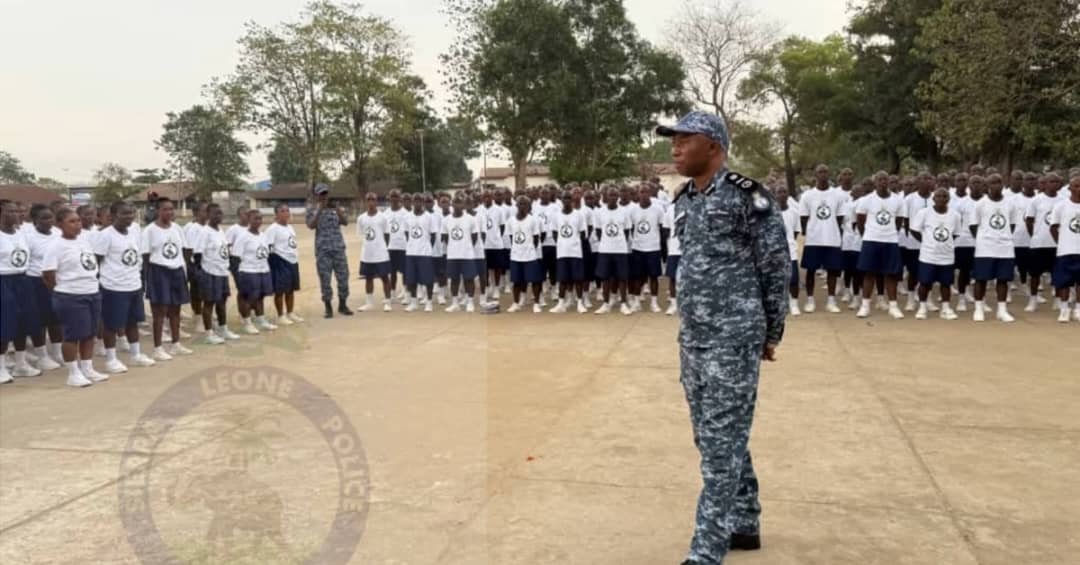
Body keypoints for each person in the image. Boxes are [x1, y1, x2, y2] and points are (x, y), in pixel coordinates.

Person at [655, 111, 789, 565]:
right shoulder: (684, 198)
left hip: (734, 337)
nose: (674, 148)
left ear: (712, 146)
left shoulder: (747, 198)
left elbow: (775, 266)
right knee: (714, 437)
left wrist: (772, 331)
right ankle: (745, 521)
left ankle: (707, 549)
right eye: (672, 140)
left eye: (683, 140)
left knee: (719, 445)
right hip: (694, 337)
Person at [42, 208, 106, 387]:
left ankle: (87, 367)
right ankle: (73, 372)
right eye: (72, 221)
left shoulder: (84, 241)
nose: (77, 224)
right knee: (72, 336)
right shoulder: (56, 246)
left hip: (91, 292)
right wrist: (61, 291)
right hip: (70, 295)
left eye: (78, 221)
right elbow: (47, 274)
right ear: (60, 224)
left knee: (89, 334)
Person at [93, 201, 156, 369]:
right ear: (113, 216)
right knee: (112, 325)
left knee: (132, 322)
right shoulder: (106, 235)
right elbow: (96, 261)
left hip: (133, 284)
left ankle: (135, 355)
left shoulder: (134, 232)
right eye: (124, 213)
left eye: (131, 213)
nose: (129, 217)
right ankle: (111, 359)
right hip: (113, 287)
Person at [141, 198, 192, 359]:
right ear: (158, 211)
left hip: (176, 271)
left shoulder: (177, 228)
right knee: (159, 312)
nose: (169, 212)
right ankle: (158, 348)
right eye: (165, 209)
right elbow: (146, 256)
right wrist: (151, 276)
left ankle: (175, 344)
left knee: (175, 310)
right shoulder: (149, 230)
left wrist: (182, 267)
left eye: (171, 209)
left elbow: (184, 249)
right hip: (159, 271)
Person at [855, 172, 906, 319]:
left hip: (890, 241)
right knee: (869, 274)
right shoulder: (866, 200)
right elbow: (860, 220)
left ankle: (893, 306)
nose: (883, 182)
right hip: (871, 240)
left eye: (885, 179)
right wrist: (868, 234)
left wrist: (889, 232)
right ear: (875, 182)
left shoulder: (898, 200)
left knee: (891, 275)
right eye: (879, 179)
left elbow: (899, 220)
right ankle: (865, 306)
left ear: (889, 182)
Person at [970, 174, 1020, 322]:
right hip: (985, 248)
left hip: (1005, 248)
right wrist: (984, 239)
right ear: (987, 186)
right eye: (992, 183)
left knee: (1003, 280)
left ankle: (1002, 310)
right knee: (981, 279)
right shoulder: (980, 204)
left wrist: (1001, 237)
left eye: (999, 182)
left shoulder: (1010, 204)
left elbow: (1011, 225)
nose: (996, 185)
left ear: (1003, 184)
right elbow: (973, 226)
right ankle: (979, 309)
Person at [798, 164, 847, 313]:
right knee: (811, 270)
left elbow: (840, 218)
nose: (823, 174)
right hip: (814, 239)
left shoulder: (838, 195)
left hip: (832, 238)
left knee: (832, 271)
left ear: (829, 174)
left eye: (826, 171)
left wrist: (831, 230)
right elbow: (804, 218)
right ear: (815, 174)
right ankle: (810, 300)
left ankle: (831, 301)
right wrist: (811, 232)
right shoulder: (807, 195)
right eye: (820, 171)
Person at [909, 188, 962, 320]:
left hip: (947, 256)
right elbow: (914, 230)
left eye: (944, 196)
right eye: (938, 196)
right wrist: (926, 241)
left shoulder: (955, 215)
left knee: (946, 284)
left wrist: (944, 243)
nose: (941, 198)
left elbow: (954, 234)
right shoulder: (924, 213)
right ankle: (922, 307)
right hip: (928, 255)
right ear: (933, 198)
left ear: (948, 199)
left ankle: (945, 308)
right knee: (925, 283)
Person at [0, 200, 37, 383]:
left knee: (23, 322)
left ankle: (21, 364)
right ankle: (1, 367)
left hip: (22, 279)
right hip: (4, 279)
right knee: (5, 324)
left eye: (16, 210)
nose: (16, 214)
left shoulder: (21, 233)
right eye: (10, 211)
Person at [305, 183, 352, 318]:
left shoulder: (335, 208)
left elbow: (345, 222)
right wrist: (319, 210)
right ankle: (328, 307)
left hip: (338, 249)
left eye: (325, 193)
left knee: (343, 277)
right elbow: (310, 225)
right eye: (321, 194)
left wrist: (338, 210)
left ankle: (343, 305)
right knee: (325, 279)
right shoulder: (312, 209)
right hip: (323, 250)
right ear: (316, 195)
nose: (324, 196)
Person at [195, 203, 239, 343]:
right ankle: (208, 334)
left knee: (222, 302)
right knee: (209, 303)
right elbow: (197, 254)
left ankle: (223, 328)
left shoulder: (220, 231)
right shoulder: (204, 232)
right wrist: (201, 272)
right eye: (215, 213)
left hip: (222, 271)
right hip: (209, 272)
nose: (218, 216)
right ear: (208, 215)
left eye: (220, 213)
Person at [26, 204, 62, 372]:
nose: (49, 221)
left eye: (51, 217)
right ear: (34, 220)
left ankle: (57, 352)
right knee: (40, 321)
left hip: (57, 280)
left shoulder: (57, 233)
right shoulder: (28, 237)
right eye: (44, 218)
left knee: (56, 319)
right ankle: (42, 356)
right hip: (36, 281)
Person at [234, 211, 277, 334]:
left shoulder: (263, 235)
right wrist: (240, 275)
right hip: (249, 271)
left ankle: (261, 319)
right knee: (249, 298)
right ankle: (247, 322)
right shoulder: (243, 236)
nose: (258, 221)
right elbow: (236, 257)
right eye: (255, 219)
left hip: (263, 270)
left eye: (260, 219)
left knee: (260, 296)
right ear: (248, 220)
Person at [592, 186, 633, 315]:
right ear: (606, 197)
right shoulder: (599, 212)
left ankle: (623, 304)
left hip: (620, 250)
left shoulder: (624, 212)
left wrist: (618, 243)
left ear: (618, 197)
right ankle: (605, 303)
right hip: (605, 250)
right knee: (605, 278)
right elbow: (598, 231)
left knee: (622, 278)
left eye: (615, 195)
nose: (613, 198)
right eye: (611, 195)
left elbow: (627, 231)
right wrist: (606, 242)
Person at [1024, 175, 1061, 311]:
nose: (1053, 184)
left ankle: (1058, 300)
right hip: (1039, 244)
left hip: (1057, 245)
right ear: (1044, 184)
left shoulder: (1063, 200)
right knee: (1035, 275)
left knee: (1058, 274)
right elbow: (1029, 220)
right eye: (1051, 181)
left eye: (1056, 181)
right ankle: (1033, 300)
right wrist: (1035, 235)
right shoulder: (1036, 201)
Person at [264, 203, 303, 325]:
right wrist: (272, 264)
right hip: (279, 260)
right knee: (280, 290)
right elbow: (268, 247)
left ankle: (290, 312)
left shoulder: (290, 227)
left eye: (287, 210)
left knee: (290, 290)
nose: (286, 213)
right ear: (276, 214)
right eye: (282, 211)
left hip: (292, 261)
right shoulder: (272, 229)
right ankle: (281, 315)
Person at [551, 190, 589, 313]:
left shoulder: (579, 215)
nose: (567, 200)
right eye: (564, 198)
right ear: (561, 200)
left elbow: (583, 233)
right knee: (562, 279)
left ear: (572, 200)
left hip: (575, 252)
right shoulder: (556, 215)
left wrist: (574, 242)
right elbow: (555, 233)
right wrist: (563, 243)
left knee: (578, 279)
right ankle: (561, 304)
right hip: (562, 252)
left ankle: (579, 303)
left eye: (569, 198)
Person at [442, 193, 480, 313]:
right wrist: (454, 247)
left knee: (469, 279)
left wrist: (466, 247)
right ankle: (455, 303)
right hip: (452, 255)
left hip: (467, 255)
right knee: (454, 280)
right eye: (455, 202)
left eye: (460, 202)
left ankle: (470, 302)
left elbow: (474, 237)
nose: (457, 205)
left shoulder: (470, 219)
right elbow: (446, 237)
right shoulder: (446, 220)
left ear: (463, 205)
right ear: (452, 204)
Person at [1049, 174, 1080, 322]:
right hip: (1065, 250)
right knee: (1064, 282)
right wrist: (1060, 242)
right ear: (1070, 188)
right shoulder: (1061, 206)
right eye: (1076, 186)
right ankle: (1064, 309)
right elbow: (1053, 227)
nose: (1079, 189)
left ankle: (1078, 309)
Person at [900, 173, 933, 311]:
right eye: (923, 179)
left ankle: (928, 299)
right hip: (913, 242)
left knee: (929, 272)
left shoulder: (936, 198)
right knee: (913, 272)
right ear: (917, 182)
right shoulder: (909, 199)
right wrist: (911, 237)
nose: (926, 181)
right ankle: (911, 299)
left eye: (929, 179)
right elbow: (906, 220)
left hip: (932, 242)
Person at [630, 186, 665, 313]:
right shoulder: (633, 210)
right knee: (637, 277)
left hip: (653, 248)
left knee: (654, 277)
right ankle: (636, 302)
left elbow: (662, 229)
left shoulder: (658, 209)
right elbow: (631, 228)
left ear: (650, 193)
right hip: (638, 247)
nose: (643, 194)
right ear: (638, 194)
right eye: (641, 192)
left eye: (646, 192)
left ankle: (654, 303)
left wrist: (661, 247)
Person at [506, 196, 544, 313]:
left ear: (528, 206)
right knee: (516, 282)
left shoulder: (532, 220)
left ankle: (536, 304)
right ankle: (516, 303)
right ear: (516, 205)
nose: (522, 206)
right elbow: (511, 238)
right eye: (520, 204)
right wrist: (518, 249)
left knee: (534, 281)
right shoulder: (511, 221)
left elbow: (536, 238)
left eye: (525, 204)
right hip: (516, 256)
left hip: (530, 256)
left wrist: (529, 249)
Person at [357, 192, 393, 312]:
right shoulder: (361, 218)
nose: (371, 202)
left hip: (380, 253)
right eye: (369, 200)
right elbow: (361, 234)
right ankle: (369, 302)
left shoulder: (383, 217)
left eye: (373, 200)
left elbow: (387, 235)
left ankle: (388, 302)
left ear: (377, 201)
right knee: (368, 277)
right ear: (366, 201)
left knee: (384, 277)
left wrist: (382, 247)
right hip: (367, 254)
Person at [403, 198, 437, 312]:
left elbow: (433, 235)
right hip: (411, 252)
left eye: (419, 201)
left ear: (423, 203)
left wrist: (426, 247)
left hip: (425, 253)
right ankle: (413, 302)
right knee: (411, 279)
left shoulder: (429, 217)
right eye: (415, 201)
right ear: (412, 203)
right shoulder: (407, 217)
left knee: (428, 279)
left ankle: (429, 302)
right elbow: (407, 233)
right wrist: (413, 244)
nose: (417, 203)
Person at [950, 173, 978, 311]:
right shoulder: (961, 203)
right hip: (963, 242)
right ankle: (961, 299)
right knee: (962, 271)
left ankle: (979, 300)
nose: (977, 185)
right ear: (970, 185)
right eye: (974, 183)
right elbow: (955, 222)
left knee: (977, 273)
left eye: (980, 183)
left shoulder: (986, 201)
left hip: (982, 243)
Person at [776, 186, 802, 317]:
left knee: (794, 279)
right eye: (779, 191)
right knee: (777, 279)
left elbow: (796, 232)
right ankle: (781, 304)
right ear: (774, 195)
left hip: (790, 251)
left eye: (784, 191)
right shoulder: (770, 213)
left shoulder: (794, 212)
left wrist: (789, 242)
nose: (782, 194)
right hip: (775, 252)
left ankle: (794, 303)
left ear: (788, 194)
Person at [840, 181, 866, 310]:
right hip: (847, 241)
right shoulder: (847, 204)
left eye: (860, 190)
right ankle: (849, 292)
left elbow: (857, 223)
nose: (858, 192)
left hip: (859, 241)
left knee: (858, 271)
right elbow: (843, 221)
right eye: (855, 190)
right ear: (852, 192)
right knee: (848, 269)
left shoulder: (863, 203)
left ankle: (858, 296)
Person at [182, 202, 209, 318]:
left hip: (208, 264)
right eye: (204, 210)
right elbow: (189, 250)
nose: (207, 213)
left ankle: (203, 311)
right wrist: (189, 267)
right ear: (196, 213)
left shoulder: (207, 228)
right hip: (195, 264)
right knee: (196, 291)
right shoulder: (193, 228)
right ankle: (197, 313)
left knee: (206, 290)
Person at [384, 190, 409, 302]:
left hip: (403, 246)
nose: (394, 199)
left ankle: (405, 291)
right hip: (390, 247)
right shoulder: (385, 213)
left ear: (400, 198)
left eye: (396, 197)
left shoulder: (406, 213)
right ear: (389, 198)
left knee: (404, 271)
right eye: (392, 197)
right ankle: (392, 293)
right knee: (392, 271)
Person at [661, 192, 682, 316]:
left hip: (690, 250)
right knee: (672, 278)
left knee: (690, 279)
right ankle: (673, 304)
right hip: (674, 249)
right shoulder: (670, 210)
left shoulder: (695, 207)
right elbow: (666, 230)